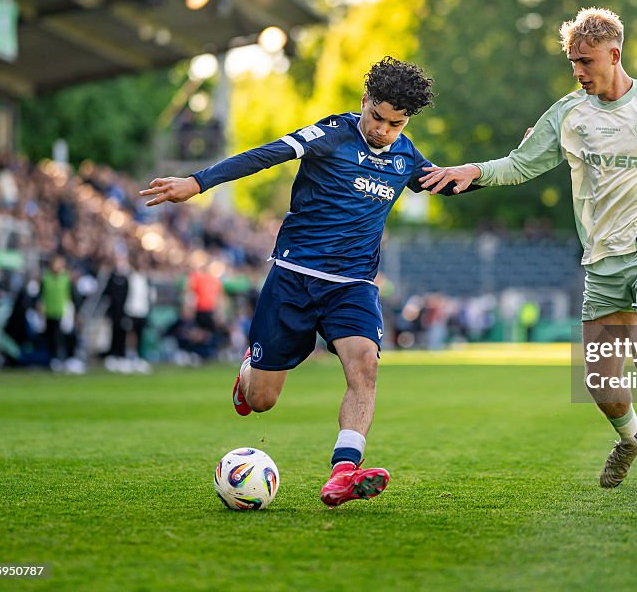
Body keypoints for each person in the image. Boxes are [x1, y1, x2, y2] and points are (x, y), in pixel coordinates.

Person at [420, 7, 637, 506]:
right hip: (602, 264)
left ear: (615, 55)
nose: (578, 72)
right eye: (573, 63)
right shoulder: (569, 113)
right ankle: (632, 436)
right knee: (599, 382)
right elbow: (521, 165)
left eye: (586, 62)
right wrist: (473, 170)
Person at [141, 57, 474, 507]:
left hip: (353, 285)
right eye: (376, 117)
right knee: (261, 401)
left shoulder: (405, 155)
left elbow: (446, 182)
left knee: (366, 367)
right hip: (294, 279)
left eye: (395, 124)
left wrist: (501, 167)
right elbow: (266, 155)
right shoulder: (332, 134)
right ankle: (248, 375)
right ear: (364, 101)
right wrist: (198, 183)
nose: (382, 130)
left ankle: (343, 473)